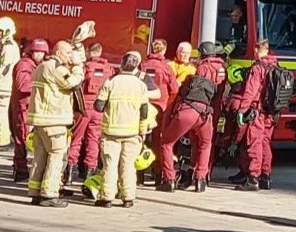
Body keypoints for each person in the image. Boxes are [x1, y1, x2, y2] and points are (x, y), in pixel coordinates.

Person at [154, 44, 221, 192]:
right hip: (206, 113)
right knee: (206, 144)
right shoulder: (220, 69)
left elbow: (177, 91)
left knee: (166, 143)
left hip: (187, 111)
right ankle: (200, 179)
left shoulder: (200, 69)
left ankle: (169, 179)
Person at [94, 52, 157, 207]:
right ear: (136, 66)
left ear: (121, 64)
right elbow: (144, 112)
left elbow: (98, 106)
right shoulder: (141, 86)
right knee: (128, 165)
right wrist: (142, 132)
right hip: (132, 132)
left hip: (111, 133)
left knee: (110, 164)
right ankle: (128, 198)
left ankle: (107, 197)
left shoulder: (110, 82)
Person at [28, 40, 84, 206]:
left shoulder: (42, 66)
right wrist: (78, 66)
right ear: (59, 53)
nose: (70, 56)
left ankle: (35, 191)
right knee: (56, 156)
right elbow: (73, 83)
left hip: (40, 120)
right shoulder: (56, 67)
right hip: (54, 120)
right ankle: (49, 194)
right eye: (68, 53)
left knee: (40, 157)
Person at [229, 42, 281, 190]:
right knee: (265, 144)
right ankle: (266, 177)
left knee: (254, 144)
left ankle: (253, 179)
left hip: (257, 111)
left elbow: (250, 91)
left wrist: (242, 110)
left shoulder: (258, 68)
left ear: (257, 49)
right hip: (271, 112)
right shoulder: (275, 66)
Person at [68, 41, 115, 191]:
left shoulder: (85, 67)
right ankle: (89, 174)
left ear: (88, 52)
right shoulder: (109, 69)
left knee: (76, 139)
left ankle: (68, 173)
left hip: (84, 108)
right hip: (99, 110)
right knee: (93, 141)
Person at [10, 38, 47, 183]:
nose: (39, 55)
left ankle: (21, 169)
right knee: (22, 139)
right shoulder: (24, 65)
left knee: (26, 139)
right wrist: (41, 85)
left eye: (41, 52)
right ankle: (20, 170)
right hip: (23, 107)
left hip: (29, 106)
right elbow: (22, 86)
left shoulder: (36, 65)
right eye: (36, 52)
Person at [0, 17, 21, 149]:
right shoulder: (5, 46)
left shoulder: (9, 48)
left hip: (3, 88)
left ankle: (2, 141)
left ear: (7, 31)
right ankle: (2, 137)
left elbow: (5, 68)